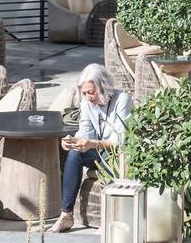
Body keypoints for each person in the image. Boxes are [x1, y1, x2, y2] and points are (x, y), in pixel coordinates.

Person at [53, 63, 132, 232]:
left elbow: (122, 142)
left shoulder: (122, 100)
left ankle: (111, 220)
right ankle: (66, 215)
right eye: (84, 93)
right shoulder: (86, 102)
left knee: (108, 164)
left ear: (103, 87)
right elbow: (85, 131)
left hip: (119, 154)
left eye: (91, 92)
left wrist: (93, 144)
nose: (88, 97)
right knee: (74, 154)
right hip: (99, 150)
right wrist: (72, 140)